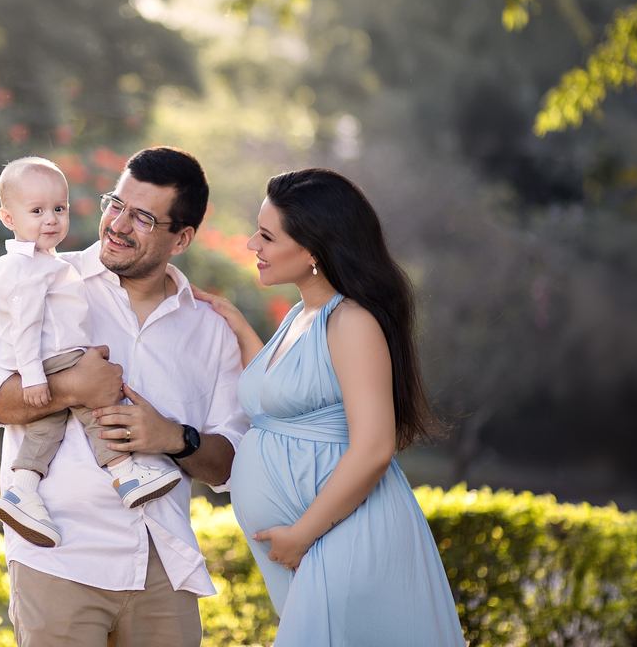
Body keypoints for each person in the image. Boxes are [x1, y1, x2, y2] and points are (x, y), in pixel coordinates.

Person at [0, 146, 248, 647]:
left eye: (143, 217)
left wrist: (174, 438)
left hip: (163, 567)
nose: (117, 223)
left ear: (182, 239)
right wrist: (70, 388)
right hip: (58, 555)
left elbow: (229, 466)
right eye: (117, 203)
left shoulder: (211, 330)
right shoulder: (41, 278)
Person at [193, 168, 464, 646]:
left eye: (267, 235)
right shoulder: (304, 315)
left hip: (339, 536)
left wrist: (302, 534)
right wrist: (238, 327)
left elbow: (375, 447)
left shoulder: (352, 321)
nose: (251, 244)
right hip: (314, 540)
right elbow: (285, 397)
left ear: (314, 250)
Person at [0, 157, 182, 549]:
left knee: (47, 425)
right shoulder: (32, 271)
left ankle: (23, 489)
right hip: (55, 356)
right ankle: (125, 473)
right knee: (101, 404)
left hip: (54, 356)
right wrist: (36, 377)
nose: (51, 219)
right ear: (8, 218)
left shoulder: (18, 265)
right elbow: (25, 325)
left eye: (60, 209)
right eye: (37, 211)